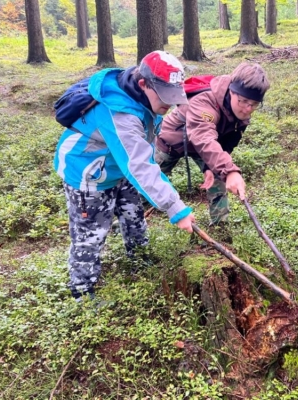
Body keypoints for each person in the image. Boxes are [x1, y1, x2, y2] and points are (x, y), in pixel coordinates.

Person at [53, 50, 195, 302]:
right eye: (165, 97)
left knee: (134, 216)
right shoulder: (120, 113)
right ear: (143, 84)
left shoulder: (141, 98)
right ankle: (83, 293)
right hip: (88, 175)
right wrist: (176, 208)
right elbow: (139, 165)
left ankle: (139, 259)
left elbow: (139, 151)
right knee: (90, 234)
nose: (169, 104)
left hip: (117, 167)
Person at [154, 62, 270, 229]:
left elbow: (227, 143)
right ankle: (129, 217)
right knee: (149, 182)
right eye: (243, 101)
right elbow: (203, 138)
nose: (247, 109)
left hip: (206, 147)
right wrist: (230, 170)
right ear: (232, 91)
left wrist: (210, 167)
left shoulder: (241, 112)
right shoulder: (204, 102)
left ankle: (220, 227)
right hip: (173, 141)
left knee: (218, 176)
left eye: (254, 104)